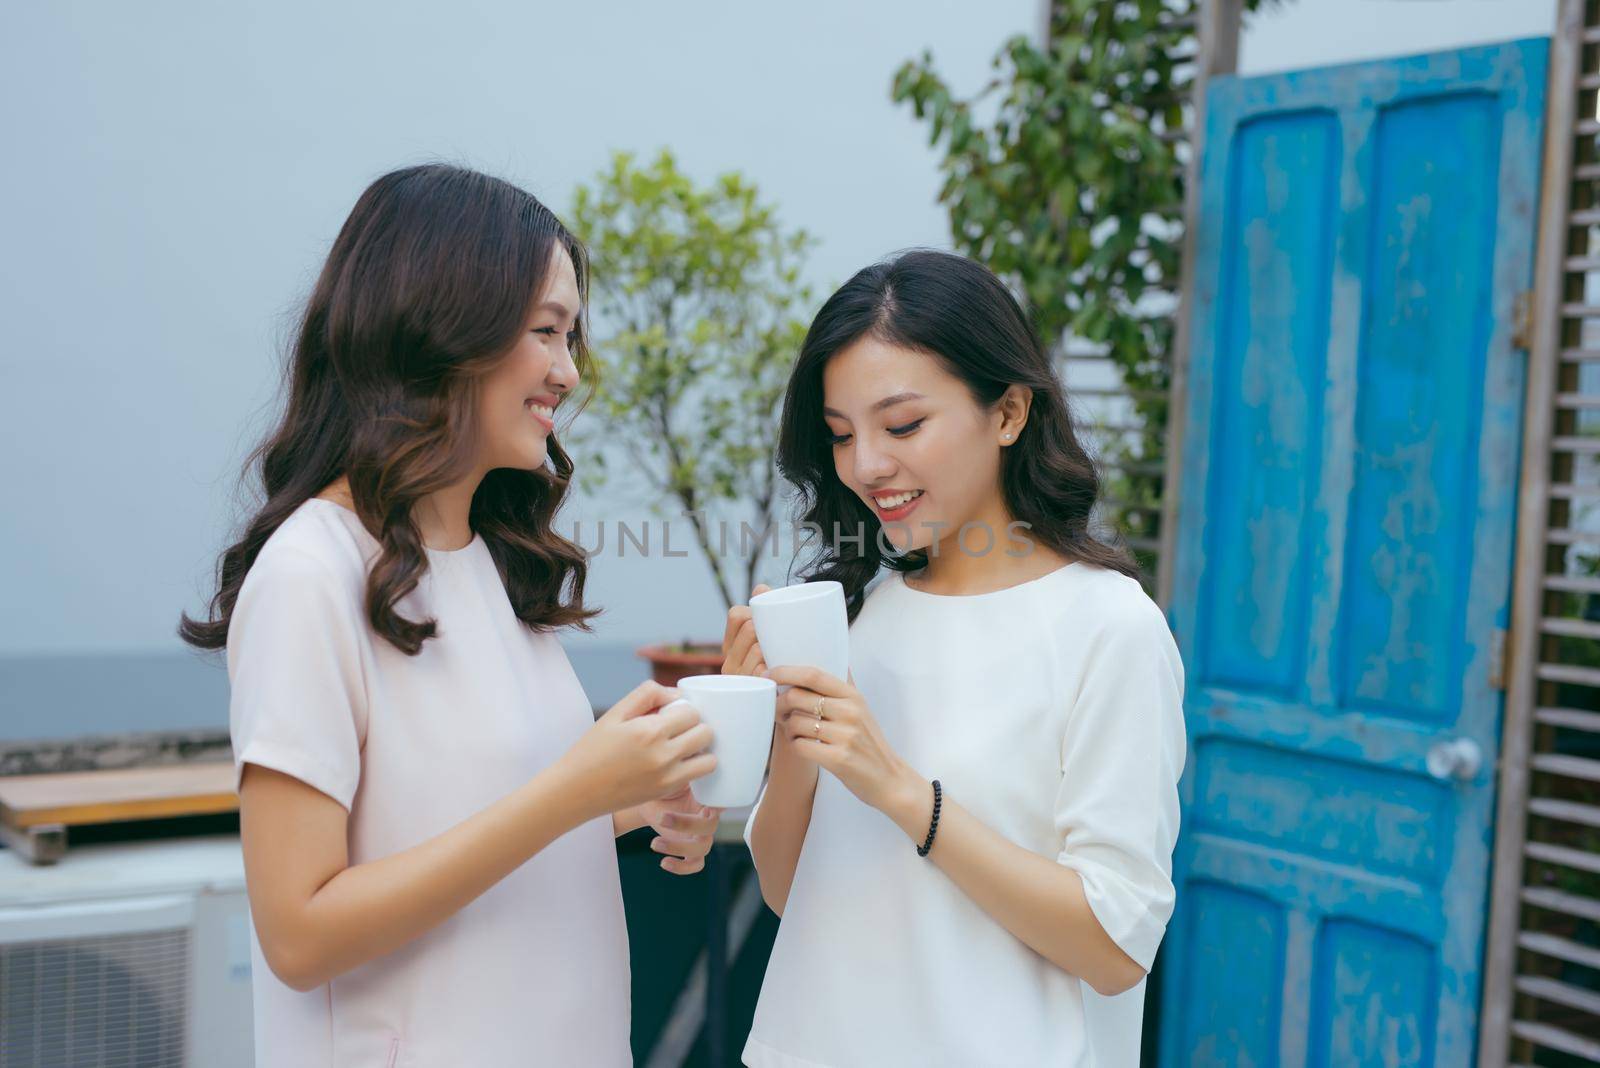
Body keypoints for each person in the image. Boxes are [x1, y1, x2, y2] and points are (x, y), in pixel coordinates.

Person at [180, 164, 719, 1067]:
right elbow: (299, 933)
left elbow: (477, 823)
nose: (568, 371)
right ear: (441, 326)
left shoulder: (500, 566)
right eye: (546, 331)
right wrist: (578, 790)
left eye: (572, 335)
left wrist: (631, 802)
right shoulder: (312, 574)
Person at [722, 249, 1186, 1066]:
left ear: (1008, 413)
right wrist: (785, 724)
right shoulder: (858, 611)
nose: (868, 465)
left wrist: (903, 793)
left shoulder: (1108, 627)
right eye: (840, 435)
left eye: (902, 426)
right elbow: (790, 889)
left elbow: (1116, 948)